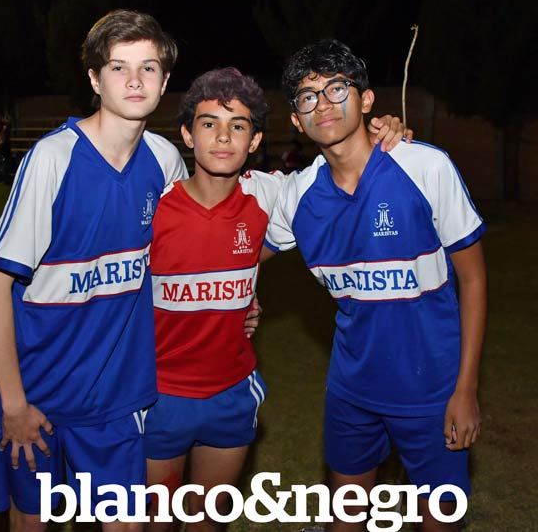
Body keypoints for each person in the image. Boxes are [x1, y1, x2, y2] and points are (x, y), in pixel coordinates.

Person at [144, 67, 410, 532]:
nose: (222, 137)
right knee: (153, 524)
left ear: (255, 141)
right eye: (208, 123)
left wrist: (382, 131)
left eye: (238, 125)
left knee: (207, 523)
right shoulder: (153, 206)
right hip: (157, 395)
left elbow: (340, 167)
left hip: (230, 392)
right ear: (187, 135)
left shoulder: (270, 193)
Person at [0, 10, 191, 532]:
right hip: (36, 396)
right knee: (32, 521)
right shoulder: (54, 158)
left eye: (149, 67)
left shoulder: (164, 160)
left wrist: (238, 303)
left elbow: (188, 252)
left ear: (164, 81)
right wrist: (14, 405)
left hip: (115, 396)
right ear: (94, 79)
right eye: (118, 67)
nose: (135, 80)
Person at [263, 40, 487, 532]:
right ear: (296, 119)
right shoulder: (296, 197)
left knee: (441, 519)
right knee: (346, 517)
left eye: (336, 88)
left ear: (365, 100)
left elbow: (472, 277)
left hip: (432, 388)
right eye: (307, 96)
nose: (323, 104)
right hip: (352, 388)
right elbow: (236, 258)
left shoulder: (424, 167)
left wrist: (466, 388)